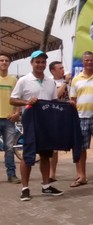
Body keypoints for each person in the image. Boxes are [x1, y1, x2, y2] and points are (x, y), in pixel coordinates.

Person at [10, 50, 63, 201]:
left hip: (46, 123)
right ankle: (25, 188)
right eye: (37, 62)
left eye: (43, 62)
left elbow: (54, 102)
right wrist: (27, 102)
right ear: (32, 63)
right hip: (31, 122)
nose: (40, 65)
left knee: (46, 155)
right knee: (28, 156)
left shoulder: (50, 81)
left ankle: (46, 186)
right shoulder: (24, 80)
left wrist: (67, 105)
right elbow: (12, 100)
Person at [69, 51, 93, 187]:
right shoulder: (76, 79)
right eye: (86, 60)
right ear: (82, 62)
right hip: (81, 118)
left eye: (91, 60)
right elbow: (73, 100)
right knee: (81, 148)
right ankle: (82, 176)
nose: (89, 62)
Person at [48, 61, 72, 183]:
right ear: (53, 71)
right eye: (60, 68)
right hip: (55, 116)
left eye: (63, 67)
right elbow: (56, 95)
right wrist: (65, 82)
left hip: (68, 115)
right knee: (53, 147)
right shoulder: (50, 82)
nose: (63, 70)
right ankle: (52, 173)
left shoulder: (71, 81)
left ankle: (80, 173)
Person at [0, 53, 21, 184]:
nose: (4, 62)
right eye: (1, 60)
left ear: (9, 63)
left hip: (9, 119)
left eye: (6, 60)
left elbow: (17, 98)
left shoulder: (14, 80)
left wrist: (17, 112)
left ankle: (11, 174)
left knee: (9, 148)